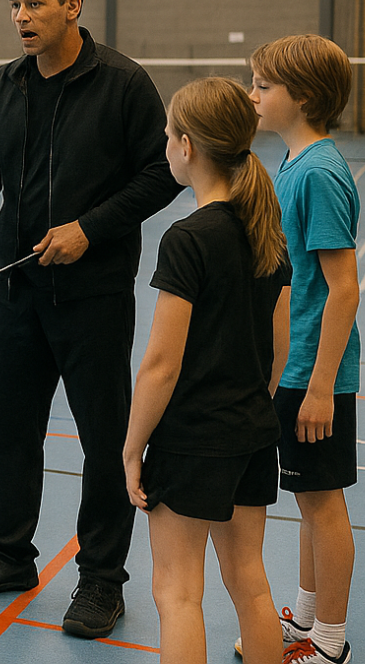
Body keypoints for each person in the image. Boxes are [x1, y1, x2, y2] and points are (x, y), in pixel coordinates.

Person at [0, 0, 181, 639]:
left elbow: (163, 174)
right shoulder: (3, 84)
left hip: (94, 296)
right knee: (7, 429)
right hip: (16, 292)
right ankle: (10, 556)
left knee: (106, 439)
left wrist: (90, 230)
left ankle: (102, 579)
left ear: (72, 6)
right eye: (14, 4)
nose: (21, 16)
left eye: (34, 3)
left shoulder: (124, 84)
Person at [123, 77, 293, 664]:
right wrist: (248, 401)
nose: (166, 145)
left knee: (177, 595)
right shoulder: (264, 231)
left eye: (168, 135)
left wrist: (131, 447)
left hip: (192, 441)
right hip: (250, 432)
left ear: (187, 145)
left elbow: (161, 367)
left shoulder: (188, 238)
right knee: (252, 584)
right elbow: (281, 348)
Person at [244, 35, 362, 664]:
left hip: (318, 375)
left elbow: (343, 289)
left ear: (305, 98)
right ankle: (307, 619)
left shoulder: (317, 173)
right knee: (305, 499)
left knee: (322, 503)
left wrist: (319, 386)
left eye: (264, 86)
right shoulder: (292, 164)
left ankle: (331, 644)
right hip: (292, 369)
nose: (253, 94)